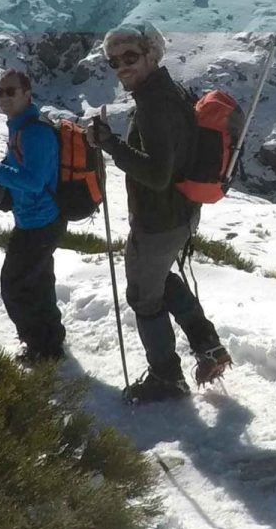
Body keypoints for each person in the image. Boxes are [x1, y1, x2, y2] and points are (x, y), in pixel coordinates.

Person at [86, 23, 232, 404]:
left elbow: (156, 173)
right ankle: (207, 344)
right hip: (180, 212)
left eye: (130, 57)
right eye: (114, 60)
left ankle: (167, 378)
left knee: (143, 297)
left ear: (152, 54)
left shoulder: (154, 104)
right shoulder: (169, 92)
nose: (121, 66)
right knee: (159, 280)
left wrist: (110, 144)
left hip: (158, 220)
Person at [0, 70, 68, 364]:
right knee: (38, 282)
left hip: (40, 222)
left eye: (10, 91)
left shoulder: (35, 132)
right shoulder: (20, 127)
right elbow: (18, 163)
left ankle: (40, 346)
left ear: (27, 93)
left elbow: (34, 181)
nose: (3, 97)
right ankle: (50, 341)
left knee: (14, 286)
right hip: (35, 219)